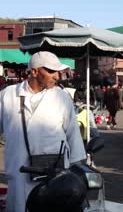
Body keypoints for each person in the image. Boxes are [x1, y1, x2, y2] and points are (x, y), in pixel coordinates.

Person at [0, 51, 86, 211]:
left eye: (58, 72)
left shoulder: (62, 97)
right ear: (34, 71)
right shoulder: (8, 96)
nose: (57, 76)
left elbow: (73, 133)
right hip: (19, 172)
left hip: (54, 175)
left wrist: (77, 168)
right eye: (51, 71)